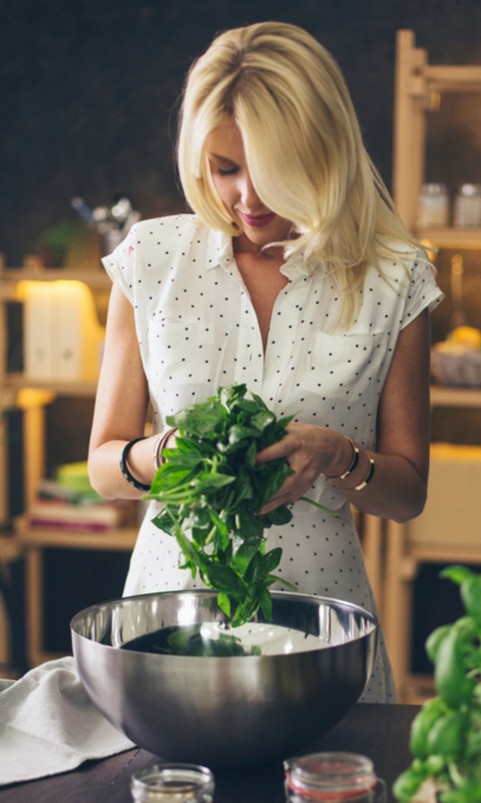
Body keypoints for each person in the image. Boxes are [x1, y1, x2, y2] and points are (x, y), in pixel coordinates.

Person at [88, 21, 442, 702]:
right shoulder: (152, 260)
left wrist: (339, 456)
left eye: (273, 173)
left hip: (322, 627)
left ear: (324, 154)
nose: (248, 198)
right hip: (169, 619)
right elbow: (104, 465)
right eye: (225, 169)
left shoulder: (394, 279)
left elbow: (409, 494)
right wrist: (162, 455)